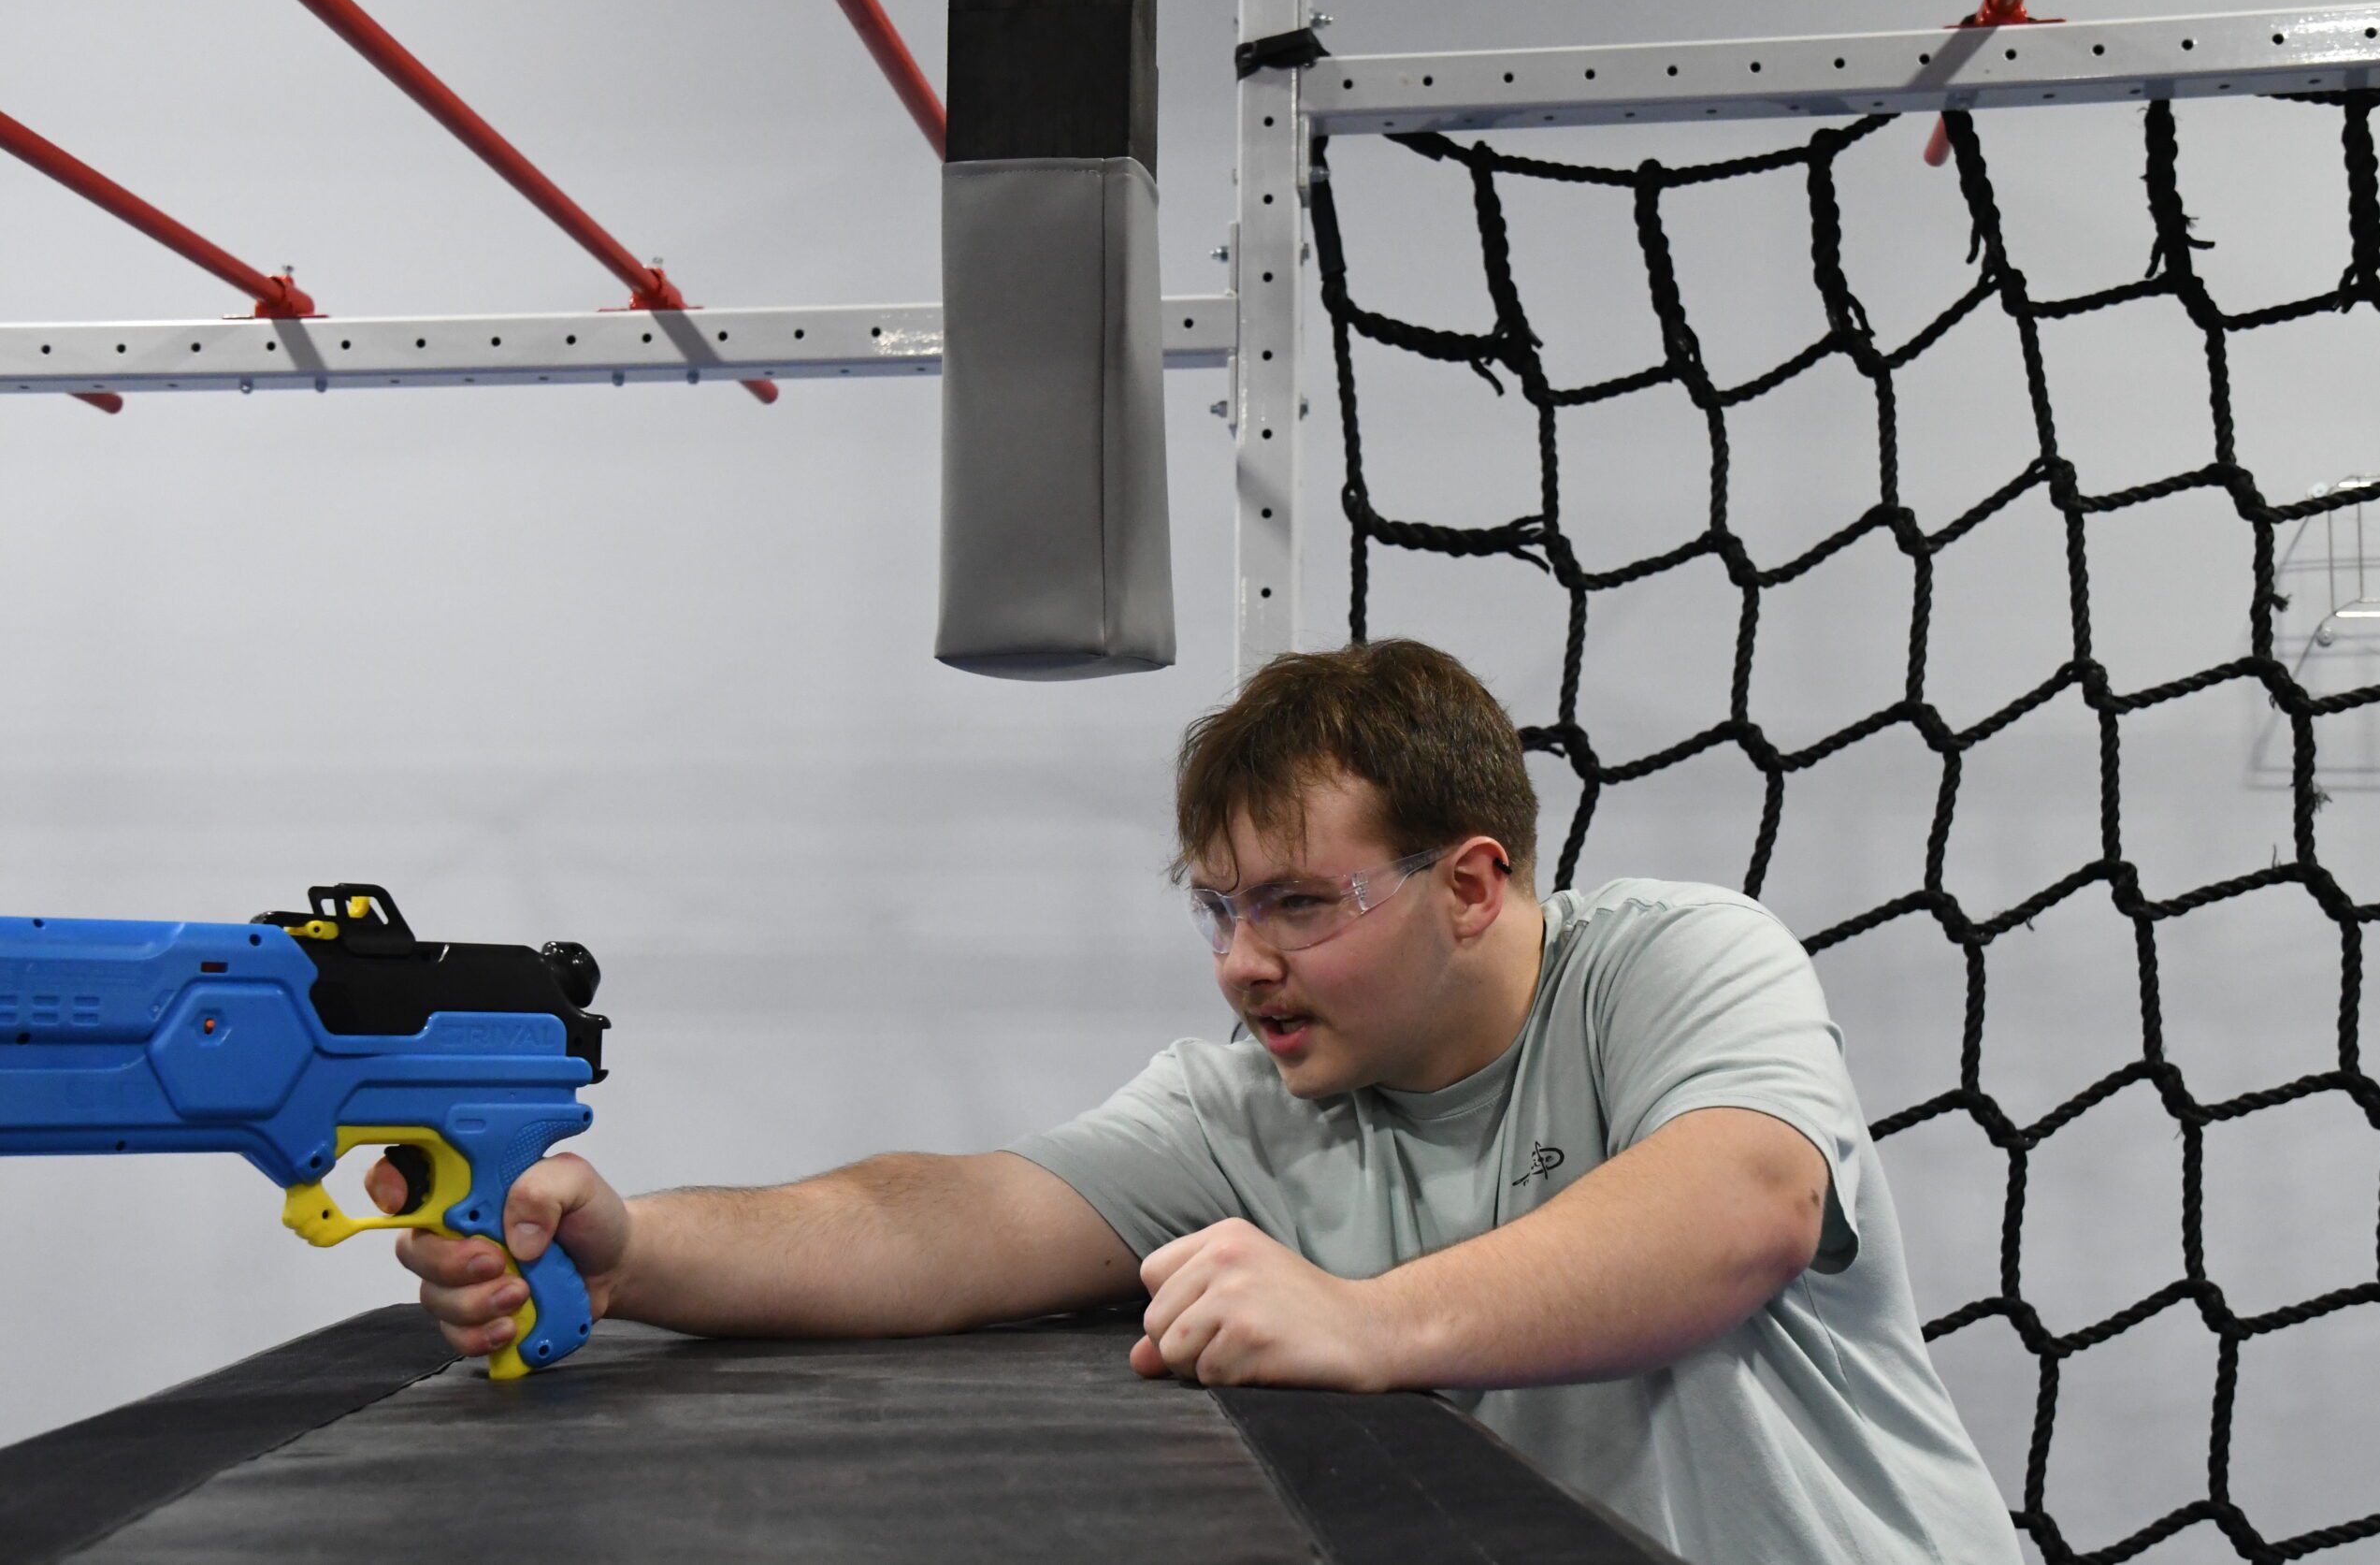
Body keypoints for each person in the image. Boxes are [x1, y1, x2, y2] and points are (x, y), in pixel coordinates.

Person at [369, 638, 2020, 1565]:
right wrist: (638, 1246)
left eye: (1298, 904)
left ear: (1470, 884)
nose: (1243, 965)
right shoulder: (1247, 1105)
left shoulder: (1674, 961)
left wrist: (1363, 1321)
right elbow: (943, 1219)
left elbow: (1739, 1211)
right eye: (1219, 909)